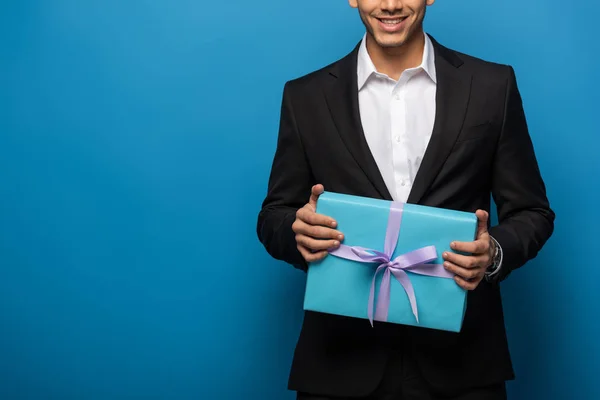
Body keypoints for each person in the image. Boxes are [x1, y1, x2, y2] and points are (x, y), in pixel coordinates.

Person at [256, 0, 555, 399]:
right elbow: (274, 214)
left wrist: (494, 253)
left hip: (463, 365)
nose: (391, 4)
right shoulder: (305, 96)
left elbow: (533, 211)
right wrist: (297, 232)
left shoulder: (491, 86)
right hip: (339, 365)